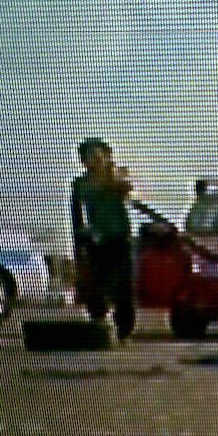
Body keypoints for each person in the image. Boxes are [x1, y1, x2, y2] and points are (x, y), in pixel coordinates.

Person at [71, 137, 135, 340]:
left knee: (123, 287)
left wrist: (110, 174)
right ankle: (99, 323)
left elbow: (126, 187)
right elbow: (77, 217)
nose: (94, 160)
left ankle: (124, 329)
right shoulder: (80, 184)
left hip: (120, 239)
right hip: (96, 241)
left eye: (99, 156)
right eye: (89, 157)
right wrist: (80, 245)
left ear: (107, 156)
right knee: (95, 286)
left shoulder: (116, 175)